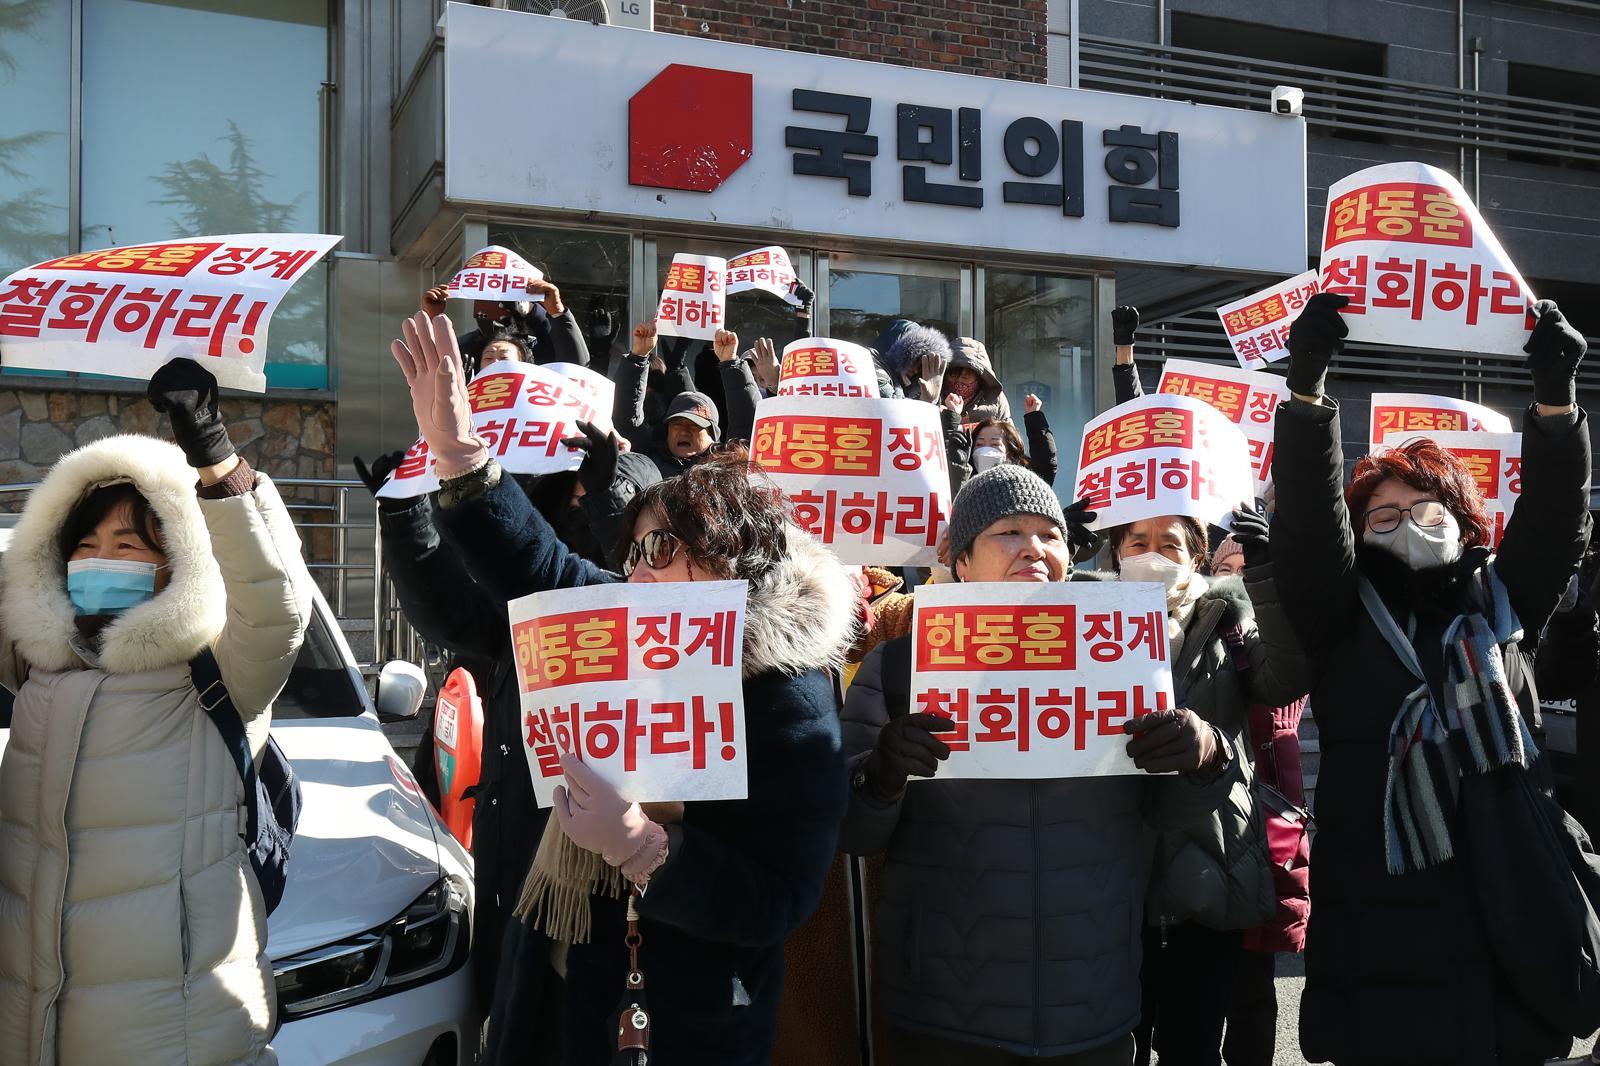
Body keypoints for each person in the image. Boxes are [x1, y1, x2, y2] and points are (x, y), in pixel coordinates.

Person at [388, 310, 858, 1065]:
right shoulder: (623, 621)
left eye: (665, 549)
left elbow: (781, 896)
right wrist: (457, 451)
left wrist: (645, 848)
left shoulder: (790, 692)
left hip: (683, 1018)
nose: (638, 570)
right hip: (555, 989)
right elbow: (538, 566)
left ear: (733, 558)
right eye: (635, 550)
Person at [840, 464, 1270, 1065]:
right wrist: (880, 774)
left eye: (1049, 534)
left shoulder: (1121, 655)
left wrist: (1205, 756)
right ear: (961, 560)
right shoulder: (897, 669)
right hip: (945, 1006)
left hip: (1094, 1001)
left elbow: (1165, 814)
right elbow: (854, 833)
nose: (1034, 549)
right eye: (1008, 533)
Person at [1270, 293, 1591, 1065]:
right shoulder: (1338, 618)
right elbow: (1311, 527)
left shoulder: (1506, 603)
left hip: (1506, 934)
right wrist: (1308, 395)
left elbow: (1555, 519)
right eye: (1384, 516)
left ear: (1468, 524)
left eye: (1428, 509)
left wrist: (1554, 400)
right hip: (1379, 946)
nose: (1408, 524)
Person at [0, 359, 312, 1065]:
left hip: (180, 1033)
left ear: (178, 561)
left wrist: (213, 456)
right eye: (82, 546)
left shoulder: (217, 674)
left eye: (127, 545)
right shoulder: (38, 665)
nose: (98, 559)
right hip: (31, 1027)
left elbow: (277, 607)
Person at [1215, 511, 1313, 1066]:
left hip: (1266, 828)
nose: (1235, 578)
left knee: (1253, 990)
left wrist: (1270, 577)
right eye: (1223, 568)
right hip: (1211, 827)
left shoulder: (1279, 646)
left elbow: (1283, 671)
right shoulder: (1191, 635)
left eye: (1245, 568)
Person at [423, 270, 591, 372]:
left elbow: (575, 370)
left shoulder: (544, 349)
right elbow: (429, 376)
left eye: (504, 357)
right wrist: (435, 321)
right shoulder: (469, 351)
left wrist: (555, 311)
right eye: (488, 358)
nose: (495, 363)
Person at [968, 392, 1058, 485]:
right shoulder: (964, 482)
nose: (985, 450)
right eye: (979, 444)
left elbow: (1045, 464)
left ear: (1010, 450)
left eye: (995, 444)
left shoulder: (1024, 482)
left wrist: (1034, 416)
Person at [869, 319, 952, 400]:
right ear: (897, 353)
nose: (916, 370)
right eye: (913, 360)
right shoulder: (873, 368)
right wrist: (926, 402)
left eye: (921, 367)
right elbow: (894, 408)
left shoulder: (912, 383)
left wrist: (933, 401)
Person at [945, 337, 1011, 424]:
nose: (959, 380)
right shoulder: (936, 398)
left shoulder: (996, 400)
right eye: (954, 374)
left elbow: (1009, 434)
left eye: (967, 376)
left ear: (979, 378)